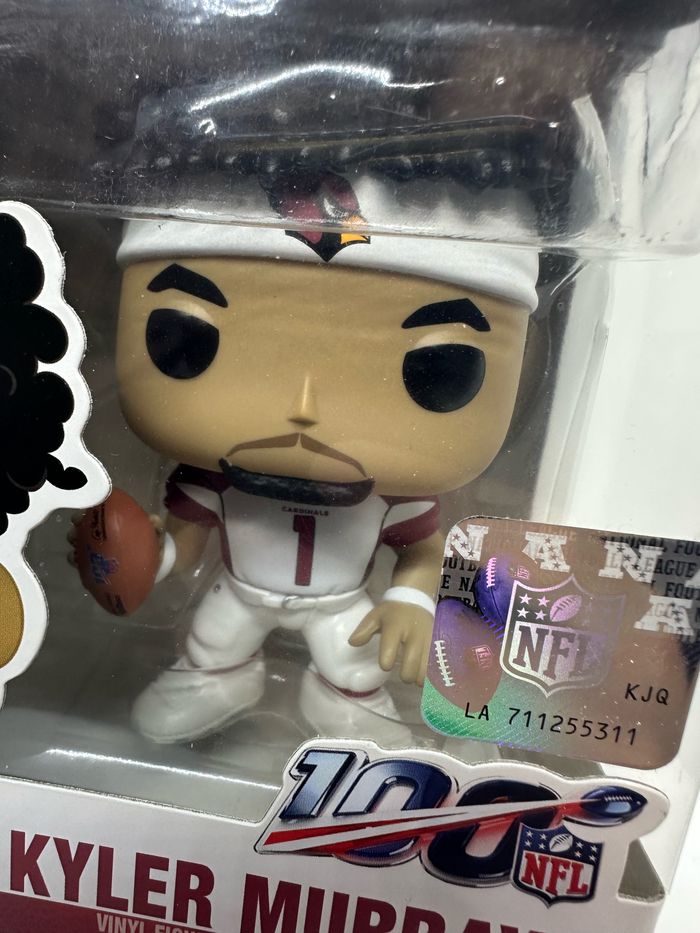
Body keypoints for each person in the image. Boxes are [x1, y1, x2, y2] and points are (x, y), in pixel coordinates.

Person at [108, 173, 539, 742]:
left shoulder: (393, 498)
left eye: (438, 371)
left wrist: (410, 600)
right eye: (188, 340)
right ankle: (218, 680)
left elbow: (424, 549)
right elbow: (184, 541)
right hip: (240, 591)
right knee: (214, 641)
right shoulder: (214, 481)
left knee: (355, 665)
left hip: (339, 604)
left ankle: (348, 703)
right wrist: (139, 555)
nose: (303, 409)